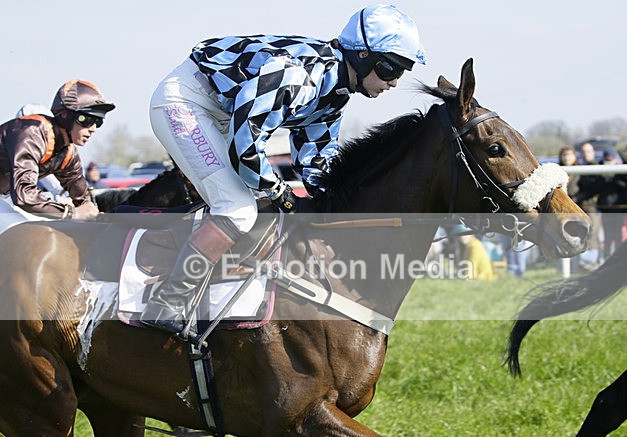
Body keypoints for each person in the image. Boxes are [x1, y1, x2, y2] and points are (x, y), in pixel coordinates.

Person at [141, 3, 426, 334]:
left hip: (219, 114)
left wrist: (335, 203)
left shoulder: (334, 94)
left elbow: (316, 161)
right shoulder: (298, 74)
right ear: (362, 55)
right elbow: (246, 142)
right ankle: (167, 303)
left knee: (252, 207)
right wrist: (279, 190)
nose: (393, 82)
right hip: (185, 103)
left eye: (403, 72)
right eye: (391, 69)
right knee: (238, 210)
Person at [0, 80, 114, 238]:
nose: (92, 129)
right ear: (65, 115)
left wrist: (94, 214)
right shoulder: (31, 132)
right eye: (87, 119)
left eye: (98, 122)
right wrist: (72, 213)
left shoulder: (68, 152)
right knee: (28, 236)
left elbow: (83, 197)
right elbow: (24, 195)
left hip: (4, 198)